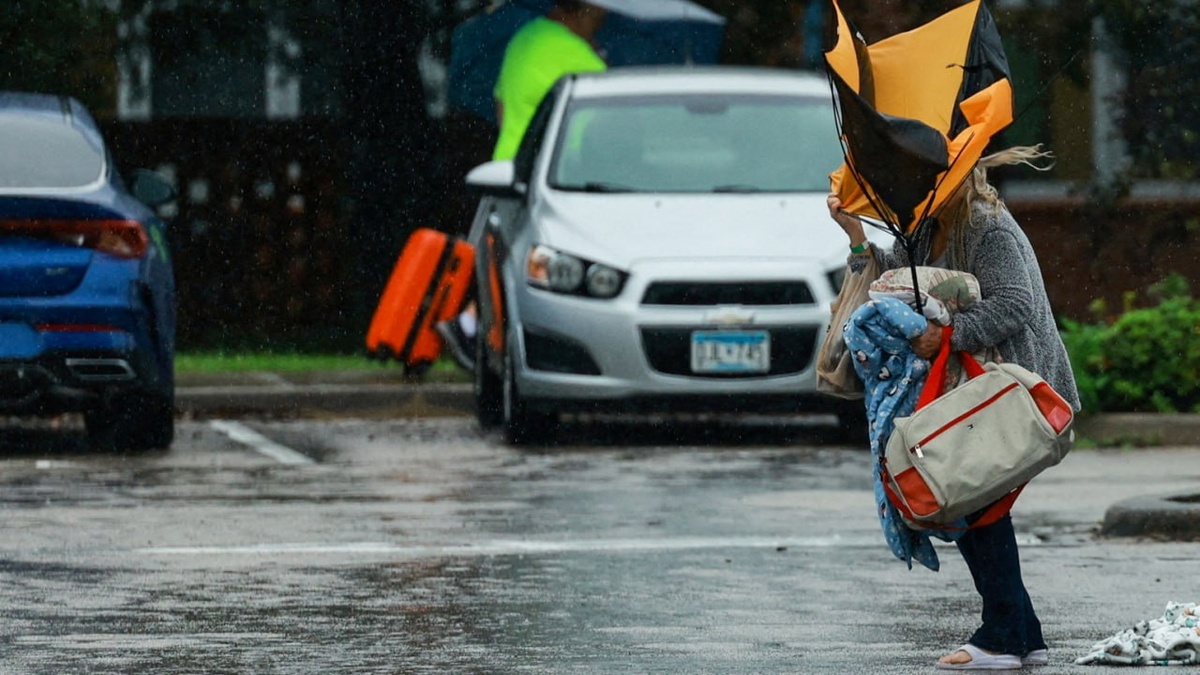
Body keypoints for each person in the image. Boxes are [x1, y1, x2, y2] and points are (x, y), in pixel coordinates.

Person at [827, 145, 1081, 671]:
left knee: (973, 499)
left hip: (1014, 386)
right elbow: (892, 281)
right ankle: (1020, 631)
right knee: (970, 497)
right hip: (969, 386)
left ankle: (1003, 636)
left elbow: (1016, 304)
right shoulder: (921, 225)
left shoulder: (989, 226)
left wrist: (948, 332)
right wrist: (855, 235)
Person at [437, 0, 609, 370]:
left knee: (498, 258)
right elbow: (601, 129)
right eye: (598, 17)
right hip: (552, 180)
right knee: (542, 268)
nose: (600, 24)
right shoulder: (581, 59)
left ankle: (472, 327)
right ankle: (487, 332)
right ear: (580, 12)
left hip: (504, 168)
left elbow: (500, 106)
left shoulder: (523, 39)